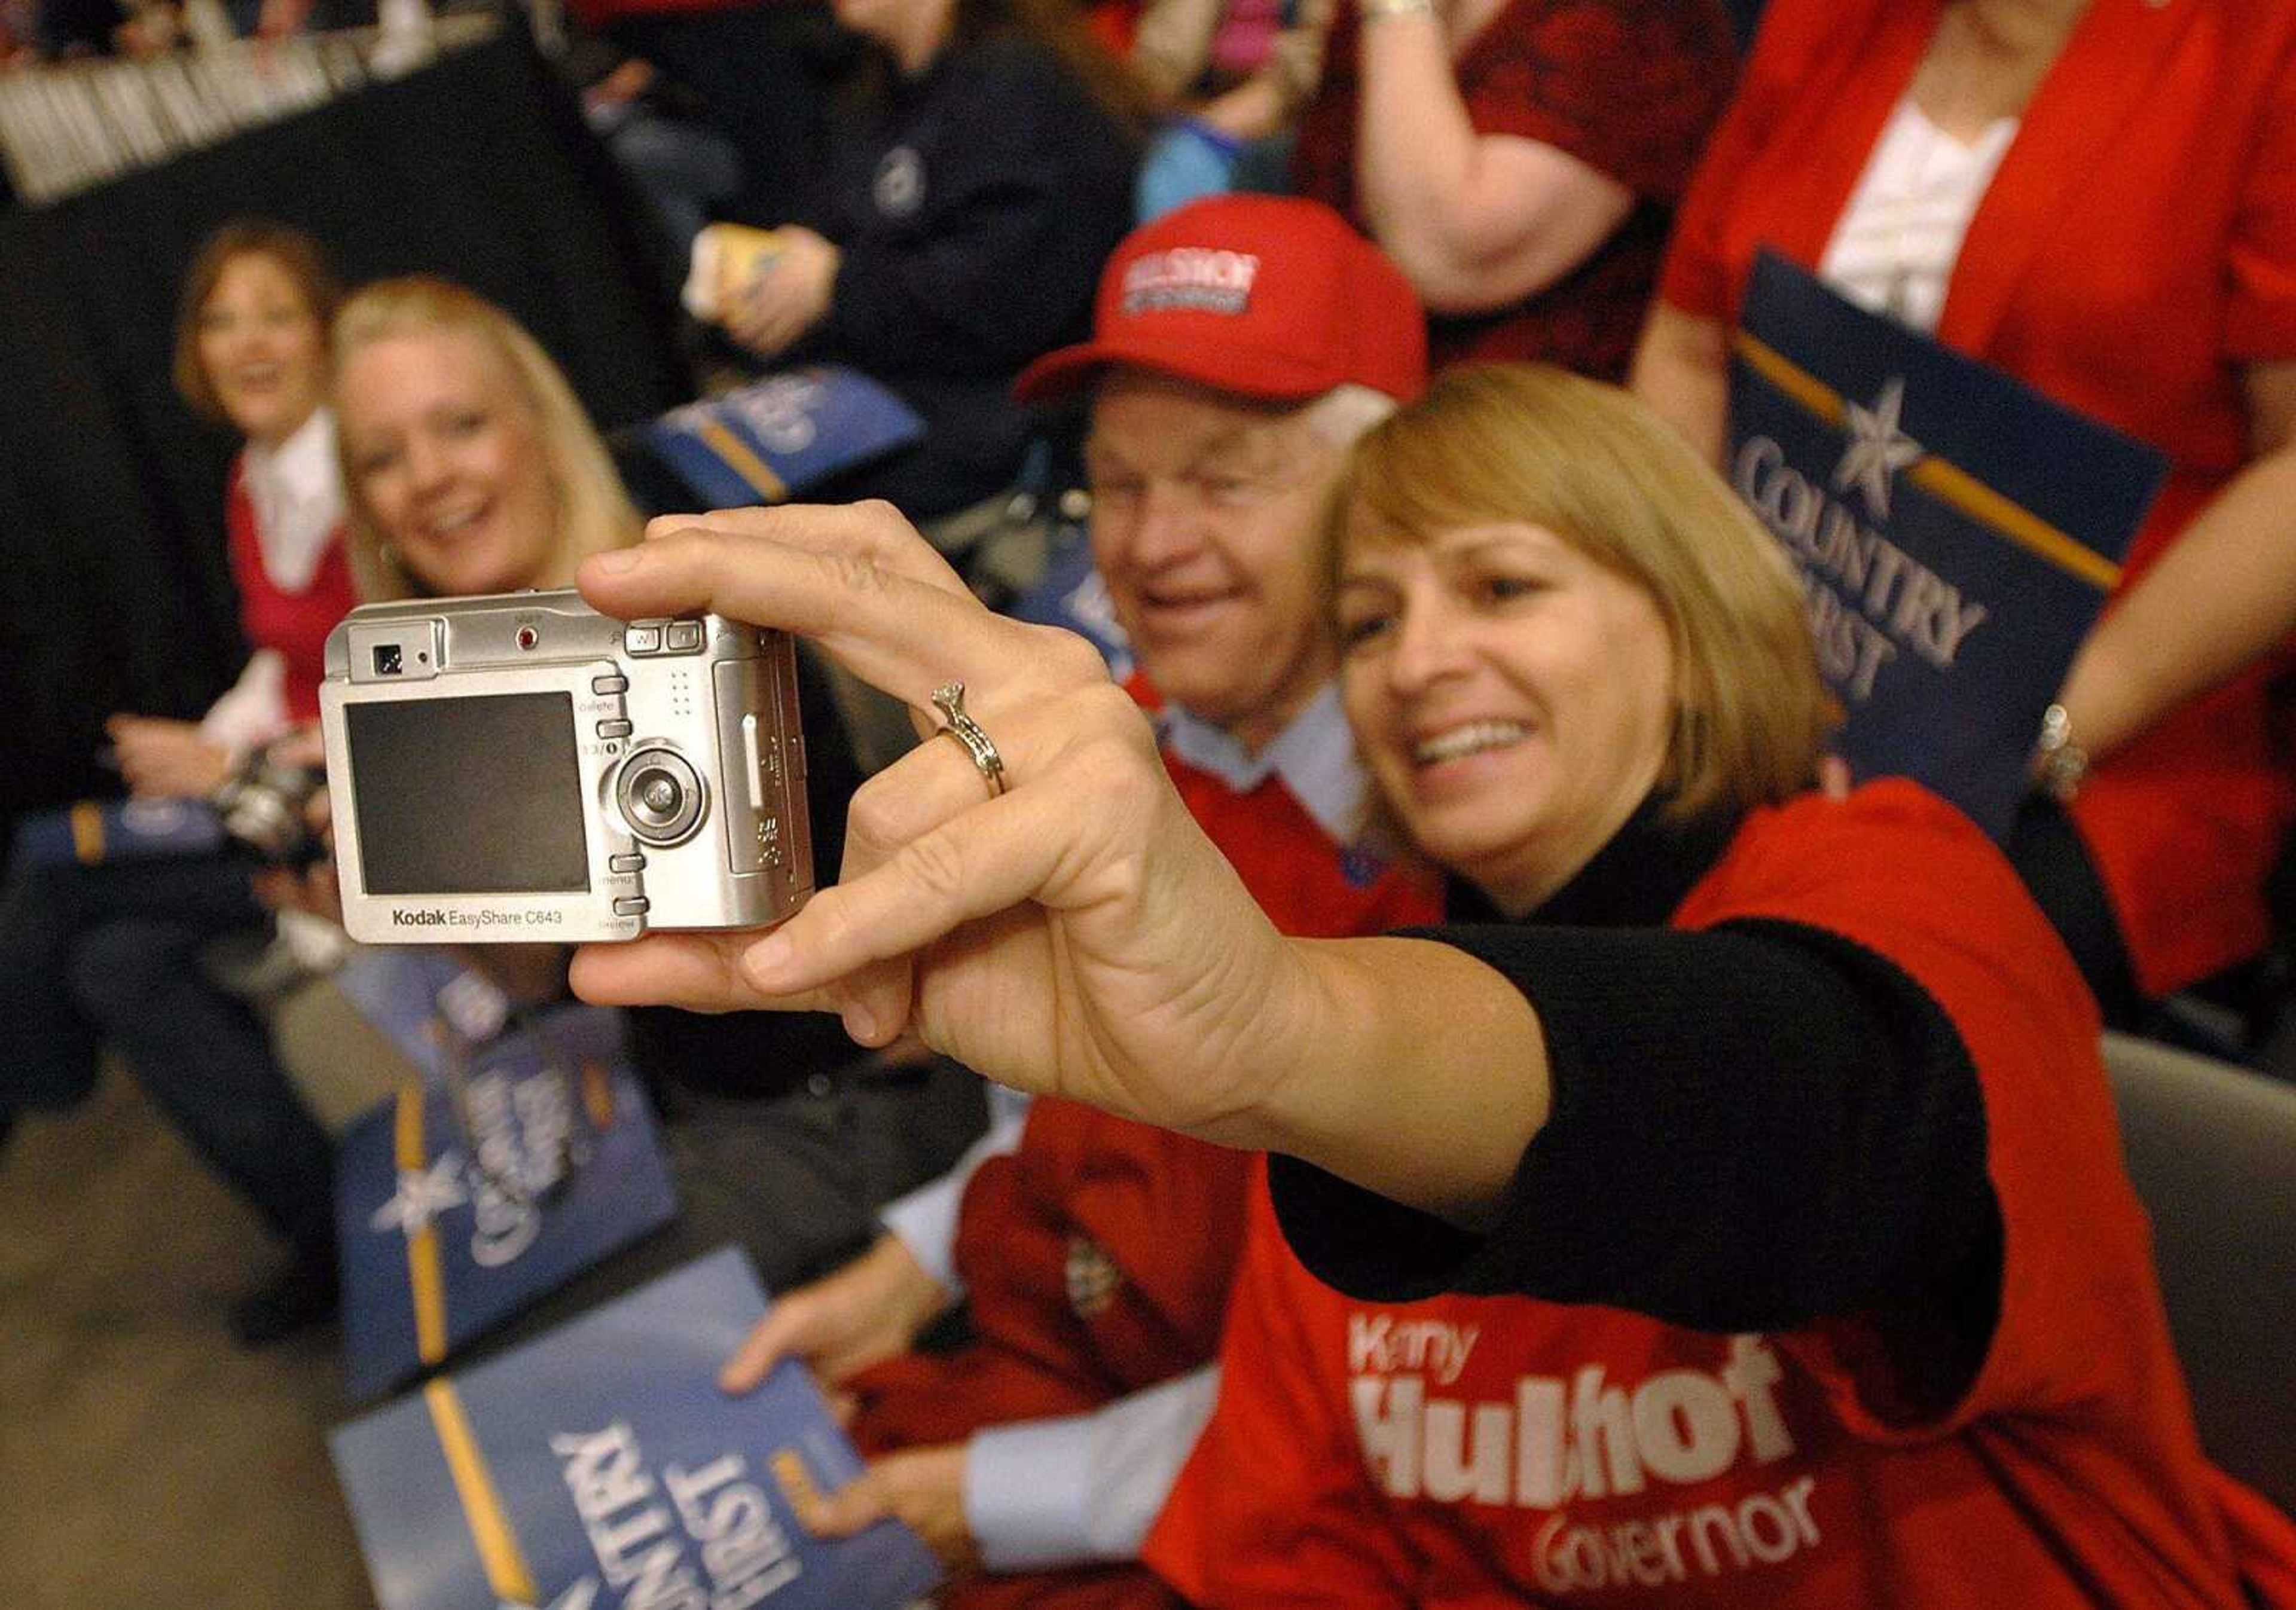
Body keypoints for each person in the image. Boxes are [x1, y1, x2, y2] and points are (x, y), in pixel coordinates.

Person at [569, 363, 2296, 1602]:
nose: (1424, 659)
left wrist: (1287, 1032)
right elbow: (1306, 1510)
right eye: (1376, 618)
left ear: (1692, 617)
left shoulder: (1894, 871)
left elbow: (1826, 1114)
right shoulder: (1379, 968)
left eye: (1503, 585)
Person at [710, 195, 1440, 1605]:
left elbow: (1393, 1385)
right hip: (1019, 1356)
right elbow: (1039, 1118)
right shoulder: (1107, 741)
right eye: (1117, 482)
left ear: (1386, 492)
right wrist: (908, 1266)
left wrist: (988, 1499)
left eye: (1226, 479)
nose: (1153, 544)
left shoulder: (1460, 858)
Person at [314, 274, 985, 1303]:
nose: (429, 477)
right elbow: (543, 975)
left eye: (460, 424)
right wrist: (399, 880)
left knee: (562, 1334)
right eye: (383, 457)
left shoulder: (702, 606)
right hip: (681, 1098)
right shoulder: (444, 700)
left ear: (540, 430)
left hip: (861, 1098)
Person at [1629, 0, 2296, 1028]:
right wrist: (1699, 638)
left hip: (2112, 738)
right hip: (1777, 669)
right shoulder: (1826, 22)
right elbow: (1690, 344)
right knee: (1572, 865)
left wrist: (2039, 728)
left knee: (1823, 989)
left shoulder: (2257, 47)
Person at [0, 220, 352, 1346]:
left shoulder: (375, 468)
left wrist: (228, 768)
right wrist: (209, 746)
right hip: (270, 791)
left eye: (275, 314)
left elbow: (403, 697)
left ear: (327, 332)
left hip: (352, 813)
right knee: (115, 963)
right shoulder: (255, 479)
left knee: (51, 883)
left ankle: (15, 1095)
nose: (246, 343)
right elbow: (281, 660)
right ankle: (330, 1233)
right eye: (220, 319)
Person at [712, 0, 1142, 520]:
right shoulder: (874, 90)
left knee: (721, 509)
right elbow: (834, 229)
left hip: (994, 408)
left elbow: (1009, 303)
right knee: (668, 462)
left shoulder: (1020, 83)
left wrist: (836, 285)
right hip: (873, 380)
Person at [1292, 0, 1736, 378]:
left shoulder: (1637, 18)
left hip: (1507, 440)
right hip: (1332, 366)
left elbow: (1444, 254)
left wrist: (1398, 10)